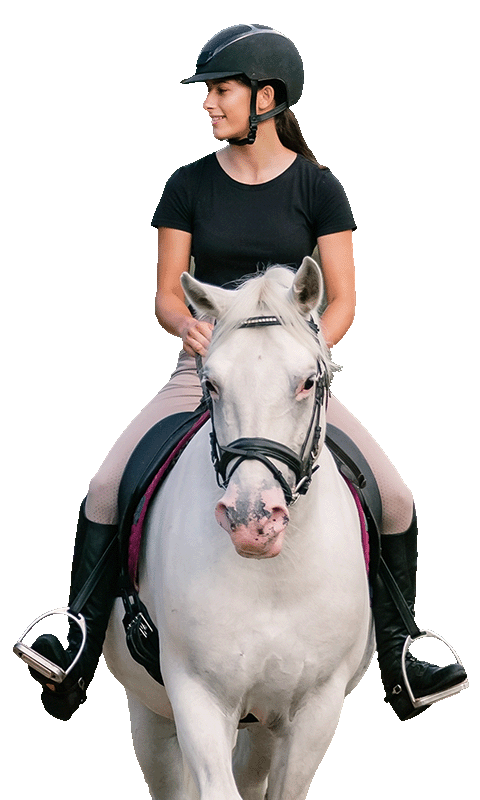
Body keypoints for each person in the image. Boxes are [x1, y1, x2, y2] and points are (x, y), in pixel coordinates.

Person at [24, 24, 467, 722]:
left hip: (294, 379)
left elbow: (343, 297)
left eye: (220, 91)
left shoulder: (320, 188)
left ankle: (400, 651)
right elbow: (170, 292)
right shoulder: (188, 186)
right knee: (105, 488)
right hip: (202, 368)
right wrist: (186, 327)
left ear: (266, 96)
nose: (208, 105)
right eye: (209, 93)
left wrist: (306, 358)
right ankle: (75, 641)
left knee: (397, 497)